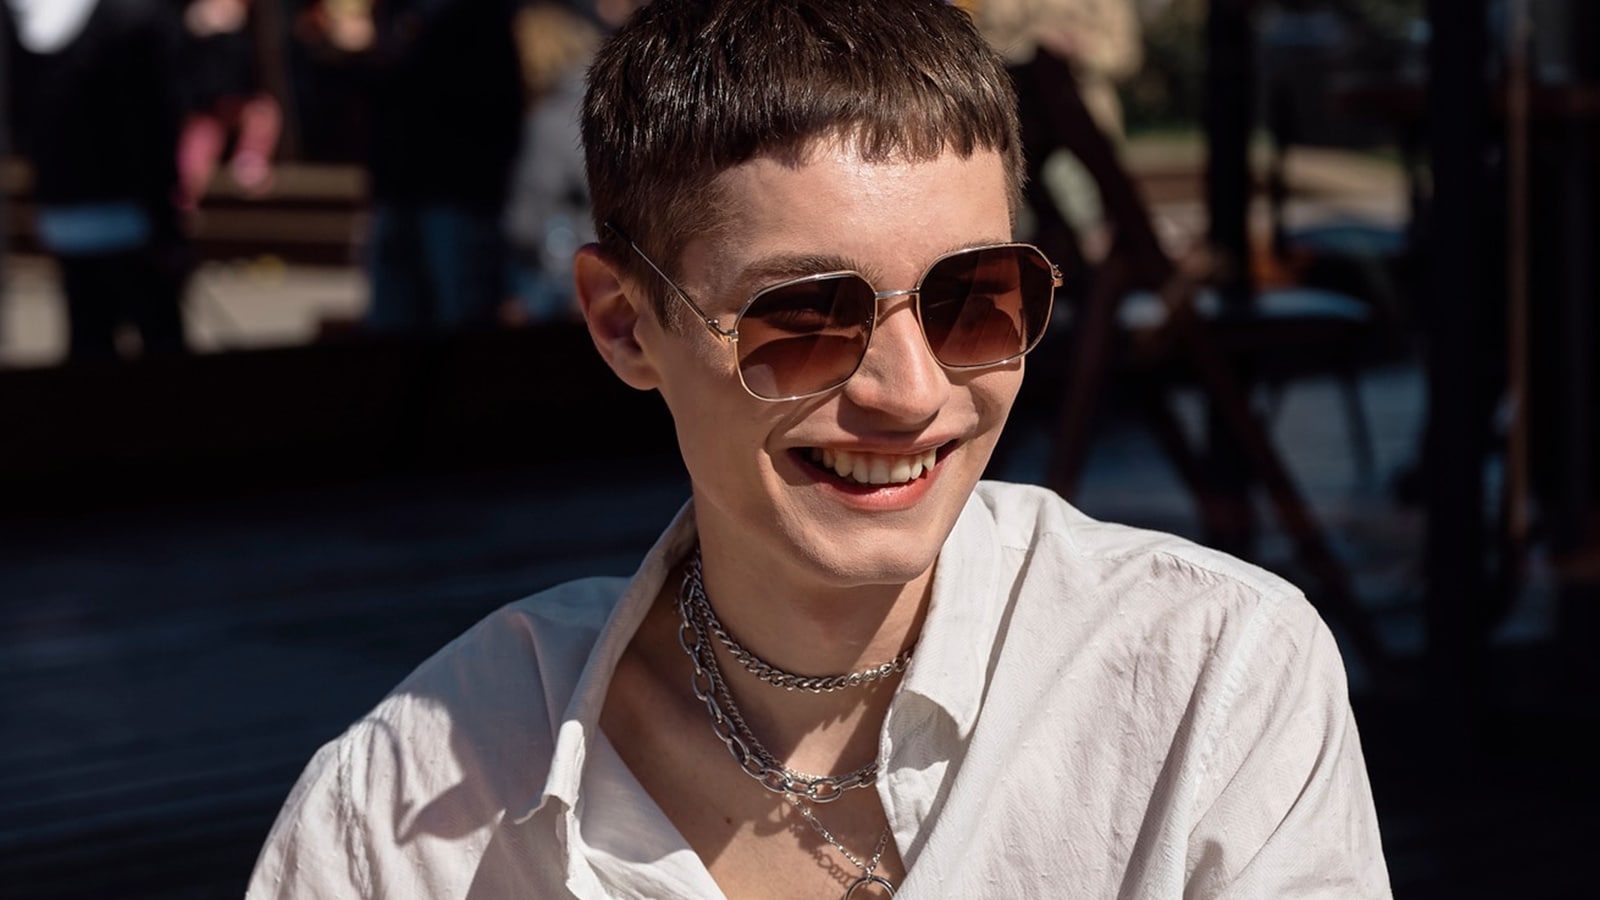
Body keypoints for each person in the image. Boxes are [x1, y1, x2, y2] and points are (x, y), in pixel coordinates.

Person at [246, 2, 1391, 897]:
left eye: (974, 300)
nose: (912, 392)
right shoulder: (402, 813)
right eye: (803, 317)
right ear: (623, 324)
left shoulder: (1209, 678)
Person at [2, 0, 191, 362]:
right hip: (129, 213)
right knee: (158, 339)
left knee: (89, 337)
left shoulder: (23, 21)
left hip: (64, 211)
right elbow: (157, 122)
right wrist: (167, 222)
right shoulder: (135, 17)